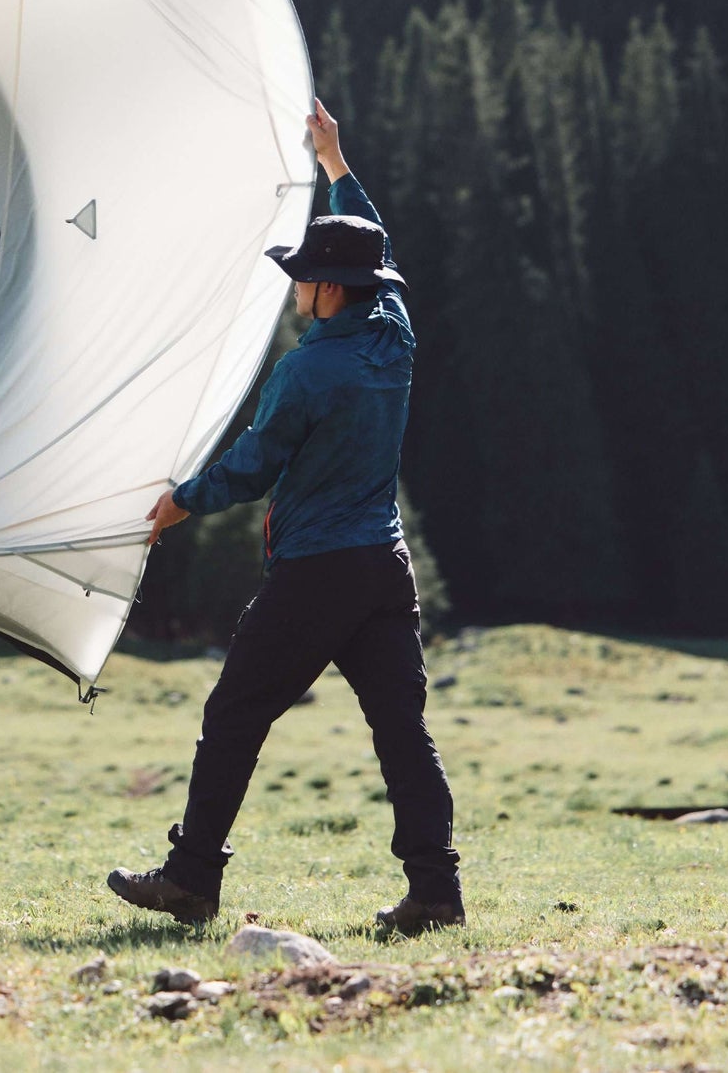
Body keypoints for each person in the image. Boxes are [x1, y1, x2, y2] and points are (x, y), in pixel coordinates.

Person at [107, 100, 463, 935]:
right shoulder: (394, 332)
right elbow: (372, 237)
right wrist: (336, 161)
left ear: (326, 289)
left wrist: (178, 503)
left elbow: (254, 463)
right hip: (383, 566)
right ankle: (435, 893)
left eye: (303, 274)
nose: (295, 285)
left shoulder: (304, 374)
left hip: (315, 571)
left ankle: (191, 880)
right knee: (403, 735)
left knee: (232, 714)